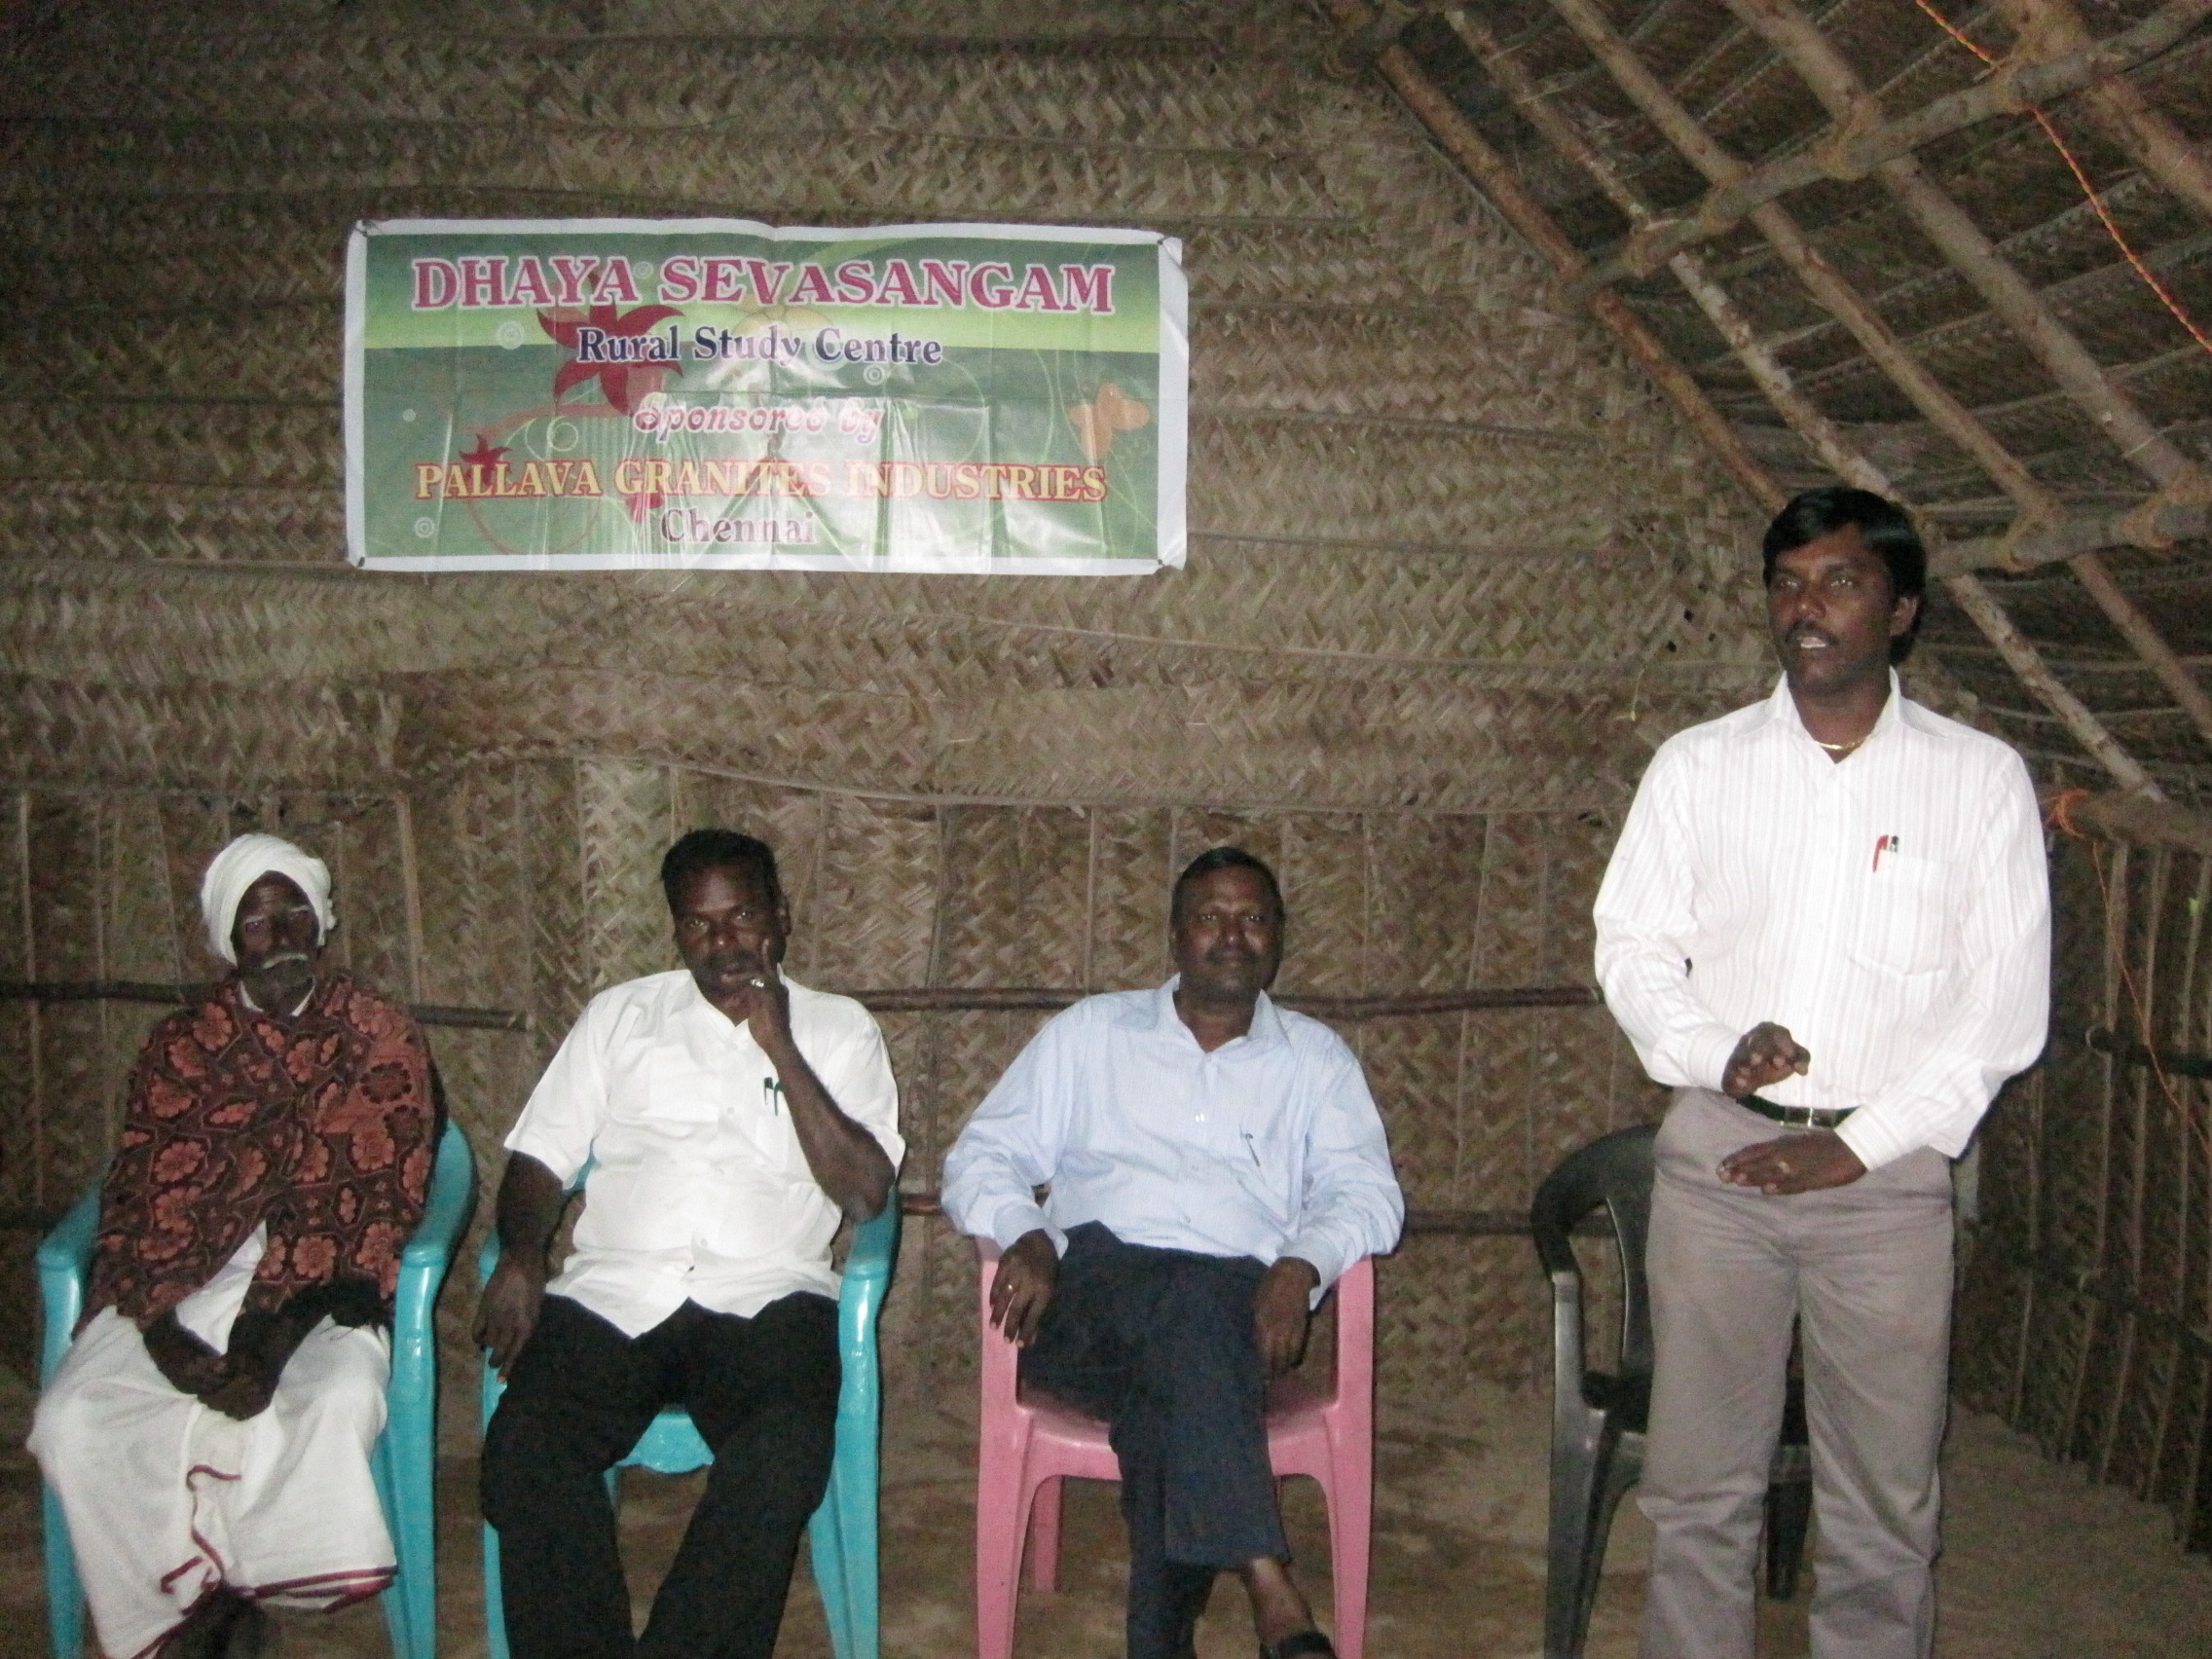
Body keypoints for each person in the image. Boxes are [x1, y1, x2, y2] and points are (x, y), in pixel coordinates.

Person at [1592, 486, 2051, 1659]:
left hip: (1887, 1180)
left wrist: (1854, 1145)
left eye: (1841, 582)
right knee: (1696, 1491)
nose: (1808, 607)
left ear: (1900, 611)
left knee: (1883, 1506)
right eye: (1788, 583)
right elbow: (1630, 947)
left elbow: (2002, 1008)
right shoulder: (1698, 767)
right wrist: (1716, 1050)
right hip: (1721, 1165)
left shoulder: (1976, 779)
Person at [942, 846, 1404, 1659]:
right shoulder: (1093, 1034)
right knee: (1189, 1326)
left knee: (1172, 1395)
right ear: (1175, 935)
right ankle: (1267, 1581)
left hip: (1234, 1316)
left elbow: (1368, 1195)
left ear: (1279, 936)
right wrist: (1025, 1232)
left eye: (1252, 918)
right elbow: (981, 1156)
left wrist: (1300, 1265)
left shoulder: (1316, 1062)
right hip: (1088, 1303)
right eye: (1209, 918)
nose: (1232, 936)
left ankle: (1166, 1641)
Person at [477, 828, 901, 1659]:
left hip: (768, 1297)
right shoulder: (620, 1016)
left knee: (781, 1456)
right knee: (525, 1452)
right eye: (699, 924)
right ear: (676, 930)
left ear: (781, 917)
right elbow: (538, 1158)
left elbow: (863, 1192)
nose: (723, 942)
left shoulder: (841, 1030)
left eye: (741, 916)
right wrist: (523, 1254)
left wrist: (779, 1045)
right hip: (615, 1291)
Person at [29, 832, 440, 1659]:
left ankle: (231, 1592)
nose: (281, 937)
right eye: (257, 922)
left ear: (321, 923)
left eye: (296, 914)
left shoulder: (374, 1033)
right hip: (179, 1283)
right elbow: (142, 1195)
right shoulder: (182, 1048)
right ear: (227, 939)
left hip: (321, 1289)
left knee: (330, 1400)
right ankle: (184, 1611)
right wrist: (165, 1339)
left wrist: (269, 1343)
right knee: (75, 1418)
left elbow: (378, 1207)